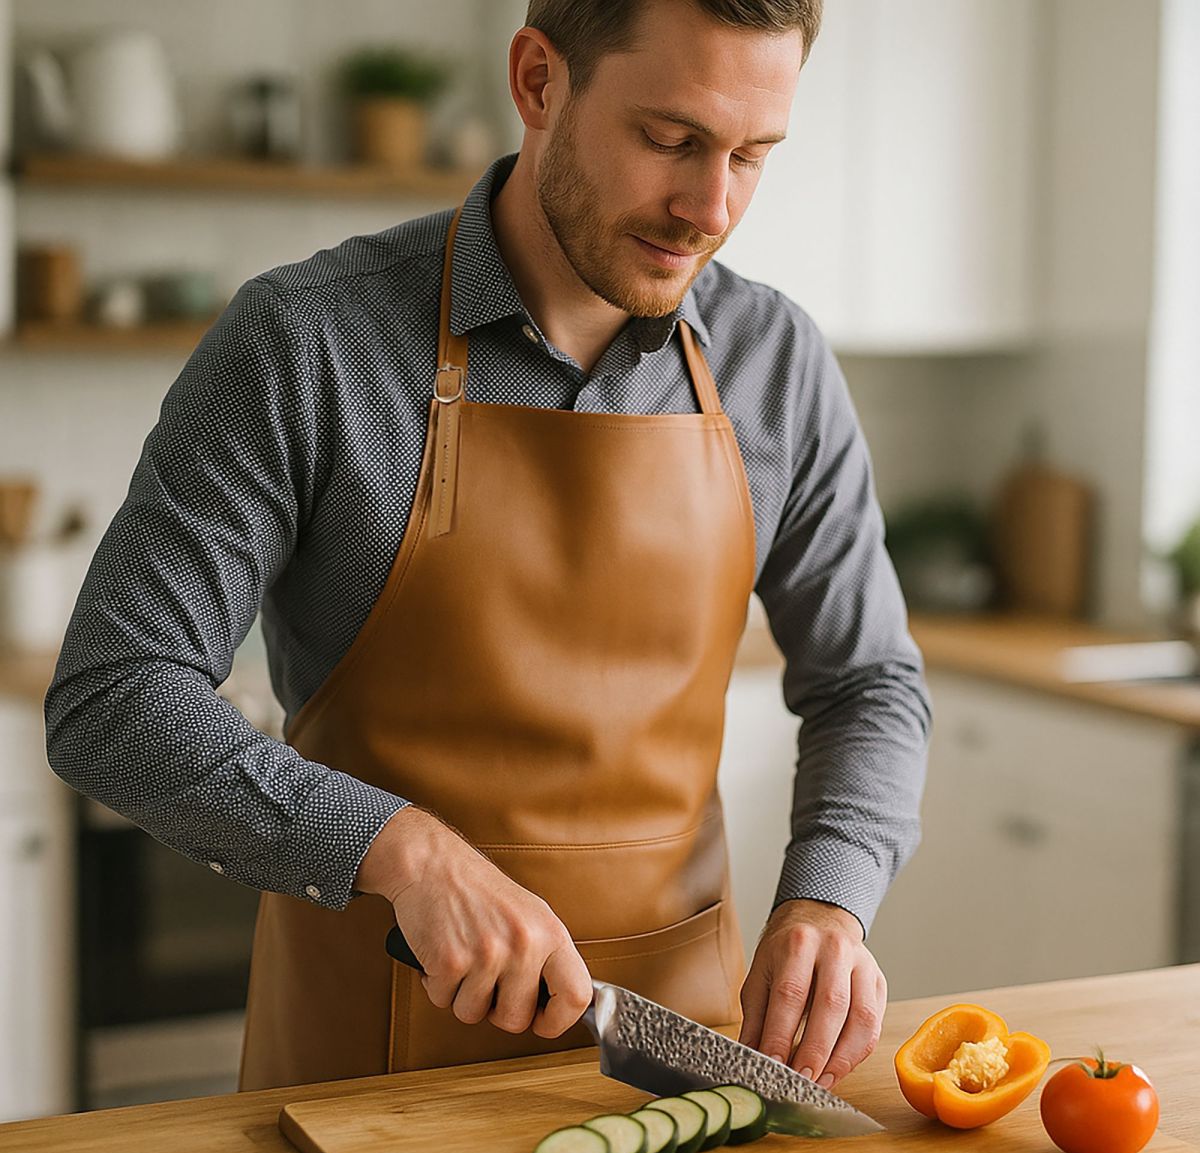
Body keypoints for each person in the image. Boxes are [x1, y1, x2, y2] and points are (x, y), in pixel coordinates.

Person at [45, 0, 930, 1094]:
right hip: (363, 1065)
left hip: (676, 1061)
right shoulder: (307, 343)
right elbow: (114, 694)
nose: (710, 207)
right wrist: (400, 849)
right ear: (537, 81)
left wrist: (829, 899)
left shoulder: (777, 361)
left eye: (752, 156)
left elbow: (870, 683)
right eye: (671, 140)